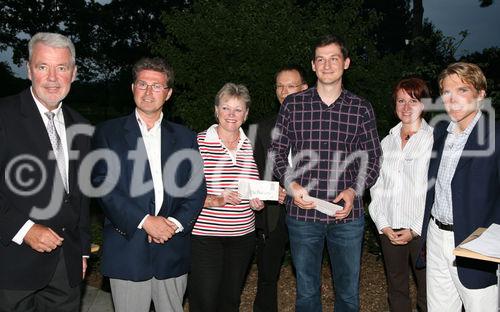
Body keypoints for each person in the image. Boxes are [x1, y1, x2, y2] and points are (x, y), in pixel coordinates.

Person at [270, 34, 382, 311]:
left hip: (347, 216)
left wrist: (355, 191)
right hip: (303, 213)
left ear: (346, 63)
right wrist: (291, 185)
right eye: (321, 59)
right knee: (306, 294)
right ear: (313, 65)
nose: (327, 65)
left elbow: (373, 157)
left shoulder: (360, 108)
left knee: (347, 294)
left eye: (334, 58)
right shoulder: (293, 105)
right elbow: (276, 153)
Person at [91, 57, 206, 312]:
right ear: (133, 88)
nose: (148, 92)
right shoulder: (108, 133)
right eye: (142, 84)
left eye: (157, 86)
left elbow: (196, 189)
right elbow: (102, 184)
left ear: (168, 93)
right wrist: (145, 221)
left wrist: (173, 225)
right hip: (128, 248)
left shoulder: (185, 137)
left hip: (172, 247)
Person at [0, 32, 91, 311]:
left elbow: (82, 197)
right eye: (43, 67)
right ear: (28, 70)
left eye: (61, 68)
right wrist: (24, 229)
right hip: (12, 263)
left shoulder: (82, 127)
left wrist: (83, 250)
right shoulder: (4, 115)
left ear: (73, 73)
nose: (53, 78)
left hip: (66, 266)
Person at [417, 62, 500, 311]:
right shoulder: (441, 130)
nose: (452, 99)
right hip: (436, 234)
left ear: (480, 95)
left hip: (476, 244)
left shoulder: (494, 135)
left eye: (462, 90)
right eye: (446, 92)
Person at [188, 83, 264, 312]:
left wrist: (257, 200)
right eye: (226, 108)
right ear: (216, 110)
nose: (231, 114)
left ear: (246, 113)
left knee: (230, 298)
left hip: (243, 236)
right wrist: (215, 199)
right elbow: (183, 191)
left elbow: (256, 184)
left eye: (238, 109)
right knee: (205, 298)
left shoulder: (253, 144)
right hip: (205, 236)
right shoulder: (197, 143)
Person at [369, 77, 432, 312]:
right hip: (390, 229)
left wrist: (415, 229)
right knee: (396, 289)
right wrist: (383, 225)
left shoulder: (434, 140)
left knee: (428, 292)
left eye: (413, 101)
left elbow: (434, 190)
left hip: (422, 231)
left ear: (424, 104)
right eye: (401, 100)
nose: (406, 107)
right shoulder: (386, 142)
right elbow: (376, 187)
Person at [252, 65, 308, 312]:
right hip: (273, 214)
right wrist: (268, 192)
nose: (284, 91)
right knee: (267, 278)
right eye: (280, 86)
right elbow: (251, 174)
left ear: (305, 89)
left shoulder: (320, 126)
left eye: (291, 86)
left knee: (308, 278)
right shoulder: (260, 129)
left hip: (310, 212)